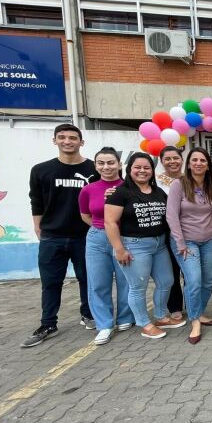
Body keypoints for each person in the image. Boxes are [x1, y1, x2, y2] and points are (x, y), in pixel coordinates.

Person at [22, 124, 97, 348]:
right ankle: (48, 323)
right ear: (54, 140)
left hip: (84, 236)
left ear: (81, 142)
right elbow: (36, 200)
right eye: (62, 137)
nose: (67, 141)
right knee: (51, 282)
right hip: (52, 236)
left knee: (88, 279)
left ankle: (88, 314)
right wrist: (38, 227)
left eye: (73, 138)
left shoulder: (94, 170)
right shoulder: (41, 170)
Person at [104, 152, 182, 340]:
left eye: (146, 167)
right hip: (135, 246)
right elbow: (110, 222)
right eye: (137, 167)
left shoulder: (158, 191)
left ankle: (161, 316)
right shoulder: (120, 193)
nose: (142, 171)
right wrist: (119, 249)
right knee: (138, 286)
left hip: (160, 244)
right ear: (129, 169)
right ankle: (144, 323)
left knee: (166, 281)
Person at [166, 148, 212, 344]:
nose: (199, 163)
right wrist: (180, 242)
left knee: (208, 280)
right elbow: (171, 215)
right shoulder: (179, 184)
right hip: (186, 242)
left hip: (209, 239)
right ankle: (195, 321)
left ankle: (198, 312)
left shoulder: (211, 185)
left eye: (203, 160)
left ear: (208, 165)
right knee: (194, 280)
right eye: (195, 160)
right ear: (189, 164)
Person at [79, 147, 133, 346]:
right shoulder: (88, 189)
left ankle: (126, 317)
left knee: (125, 280)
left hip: (125, 237)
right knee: (98, 282)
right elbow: (86, 215)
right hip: (97, 238)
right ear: (96, 166)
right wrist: (102, 228)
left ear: (119, 164)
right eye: (101, 163)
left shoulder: (128, 187)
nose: (106, 166)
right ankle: (104, 324)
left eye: (111, 162)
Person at [156, 146, 185, 322]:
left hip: (189, 228)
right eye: (167, 159)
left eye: (175, 158)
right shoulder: (156, 181)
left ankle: (193, 303)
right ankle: (174, 306)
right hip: (165, 231)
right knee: (172, 270)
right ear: (162, 161)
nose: (172, 161)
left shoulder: (189, 179)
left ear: (181, 160)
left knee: (190, 270)